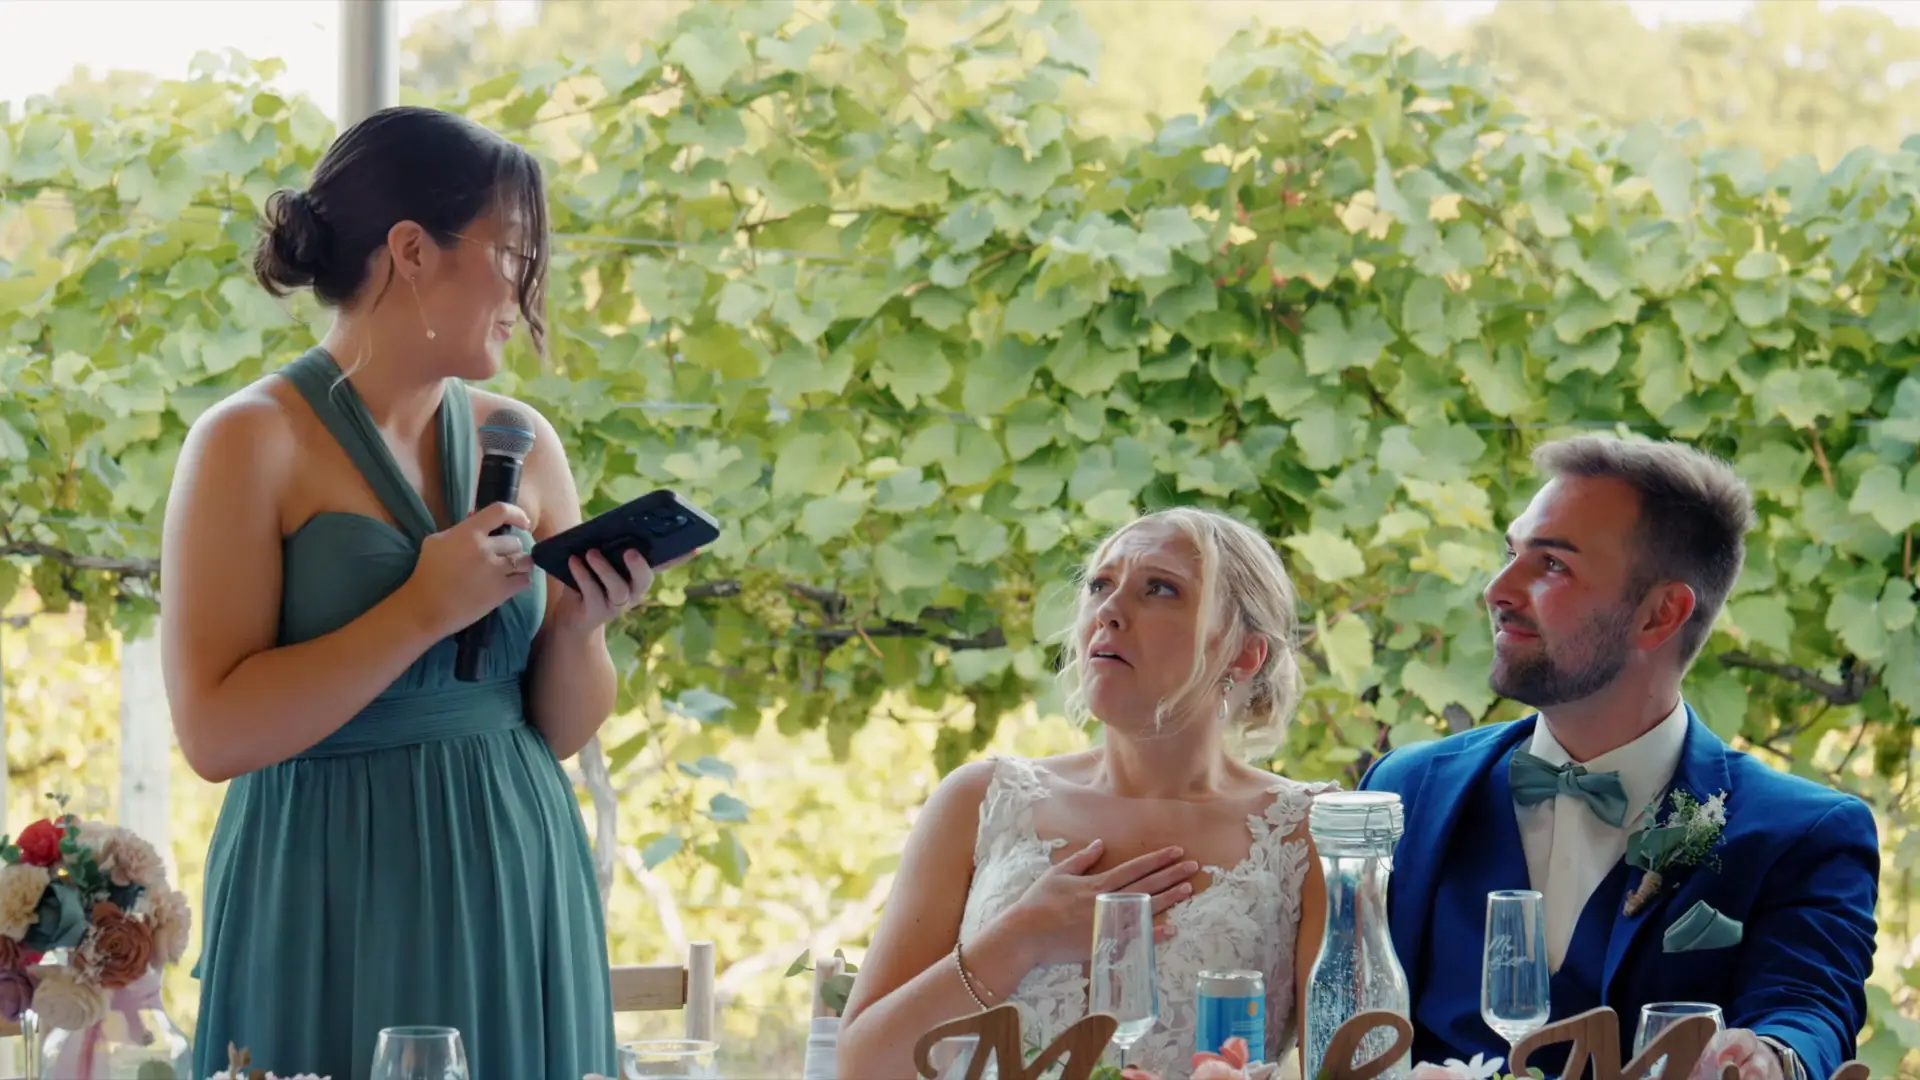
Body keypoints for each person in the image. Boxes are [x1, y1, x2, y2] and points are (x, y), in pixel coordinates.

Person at [160, 107, 683, 1079]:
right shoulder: (246, 442)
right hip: (327, 888)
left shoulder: (525, 440)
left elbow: (559, 730)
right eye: (515, 251)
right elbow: (214, 734)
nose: (530, 287)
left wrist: (578, 630)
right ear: (411, 251)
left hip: (522, 881)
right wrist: (421, 609)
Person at [1361, 435, 1878, 1080]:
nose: (1497, 590)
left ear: (1661, 614)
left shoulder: (1804, 832)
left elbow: (1809, 1006)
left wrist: (1769, 1056)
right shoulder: (1406, 787)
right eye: (1511, 553)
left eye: (1552, 565)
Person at [836, 507, 1338, 1080]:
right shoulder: (979, 801)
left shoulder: (1310, 829)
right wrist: (1020, 938)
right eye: (1101, 585)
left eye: (1159, 589)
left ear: (1246, 653)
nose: (1109, 610)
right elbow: (861, 1066)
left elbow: (1348, 1070)